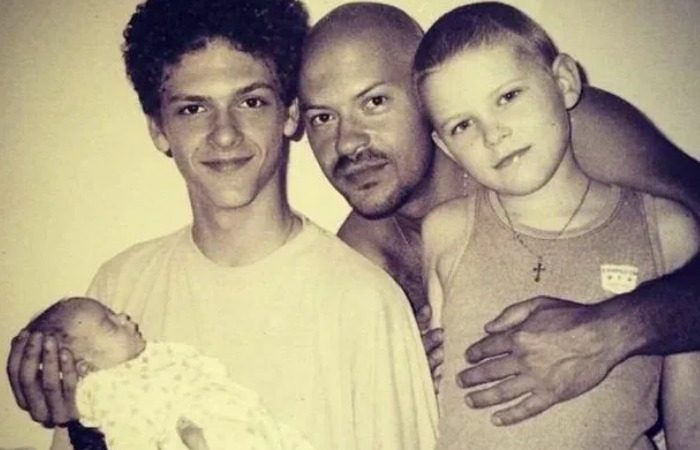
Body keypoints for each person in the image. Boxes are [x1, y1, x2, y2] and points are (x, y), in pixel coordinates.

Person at [6, 1, 438, 449]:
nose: (225, 134)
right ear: (158, 129)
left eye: (251, 102)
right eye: (193, 109)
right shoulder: (119, 287)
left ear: (289, 114)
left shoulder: (365, 302)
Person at [298, 1, 700, 422]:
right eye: (322, 117)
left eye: (375, 102)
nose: (346, 142)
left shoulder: (564, 134)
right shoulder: (360, 260)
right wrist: (402, 389)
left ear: (427, 98)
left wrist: (608, 332)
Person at [414, 3, 700, 448]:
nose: (494, 134)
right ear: (447, 148)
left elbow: (691, 427)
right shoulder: (444, 231)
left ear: (564, 81)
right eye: (463, 125)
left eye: (508, 97)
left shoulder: (666, 229)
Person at [25, 296, 313, 450]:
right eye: (111, 325)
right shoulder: (108, 391)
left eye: (115, 314)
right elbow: (128, 437)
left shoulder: (149, 356)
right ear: (85, 368)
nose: (124, 317)